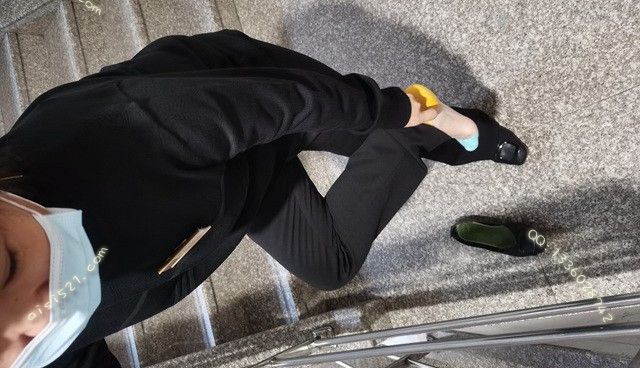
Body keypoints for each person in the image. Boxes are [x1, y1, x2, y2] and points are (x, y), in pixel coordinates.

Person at [0, 29, 527, 367]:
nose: (40, 315)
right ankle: (413, 138)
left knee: (357, 117)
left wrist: (394, 109)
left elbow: (290, 100)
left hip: (239, 90)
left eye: (6, 265)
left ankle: (445, 125)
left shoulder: (111, 129)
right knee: (329, 266)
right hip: (226, 200)